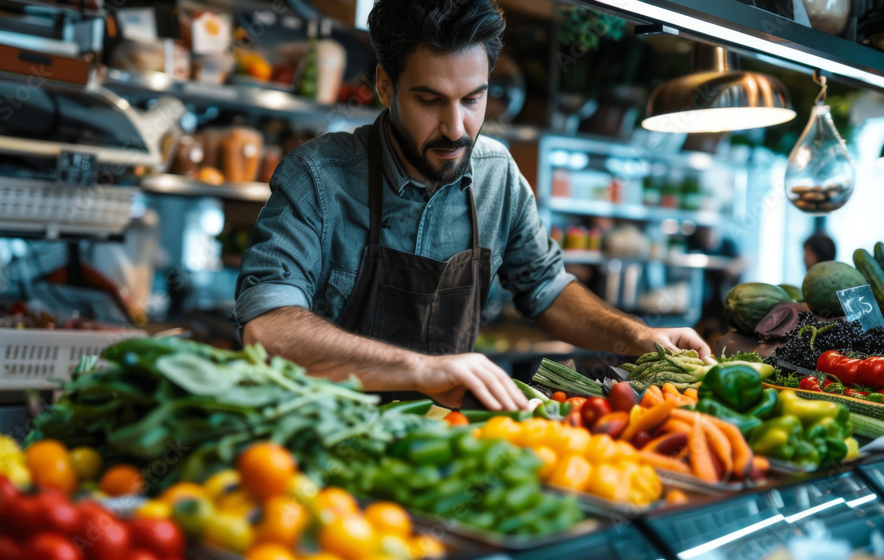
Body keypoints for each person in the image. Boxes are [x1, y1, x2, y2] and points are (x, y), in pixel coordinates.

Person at [234, 0, 710, 411]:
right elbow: (269, 329)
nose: (456, 127)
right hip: (317, 437)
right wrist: (421, 369)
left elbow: (545, 287)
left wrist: (641, 337)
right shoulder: (317, 177)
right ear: (385, 87)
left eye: (472, 99)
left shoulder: (496, 174)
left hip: (444, 441)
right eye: (430, 100)